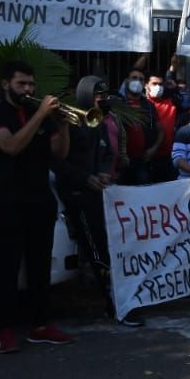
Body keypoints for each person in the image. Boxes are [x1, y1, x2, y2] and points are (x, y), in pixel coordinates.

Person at [0, 60, 74, 353]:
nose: (28, 89)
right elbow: (11, 147)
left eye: (31, 84)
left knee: (39, 265)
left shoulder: (39, 113)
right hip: (10, 198)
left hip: (40, 196)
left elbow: (60, 152)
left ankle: (40, 325)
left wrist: (63, 123)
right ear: (6, 84)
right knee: (7, 265)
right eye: (21, 84)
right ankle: (4, 330)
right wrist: (41, 115)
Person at [50, 78, 131, 324]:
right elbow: (58, 160)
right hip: (77, 193)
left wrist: (106, 171)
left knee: (104, 243)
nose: (102, 99)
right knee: (96, 248)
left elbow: (107, 152)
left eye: (105, 94)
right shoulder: (68, 121)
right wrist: (85, 179)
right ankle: (110, 301)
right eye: (97, 95)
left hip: (98, 191)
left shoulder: (100, 120)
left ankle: (111, 298)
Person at [117, 67, 163, 186]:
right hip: (120, 162)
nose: (137, 81)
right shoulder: (117, 103)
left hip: (142, 161)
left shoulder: (149, 106)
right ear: (127, 81)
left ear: (144, 84)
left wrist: (154, 149)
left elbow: (161, 130)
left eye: (141, 79)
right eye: (134, 78)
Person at [145, 73, 180, 182]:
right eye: (154, 83)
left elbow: (187, 101)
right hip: (146, 158)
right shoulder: (141, 104)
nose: (158, 87)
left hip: (167, 158)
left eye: (160, 84)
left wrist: (175, 87)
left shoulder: (171, 102)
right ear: (146, 85)